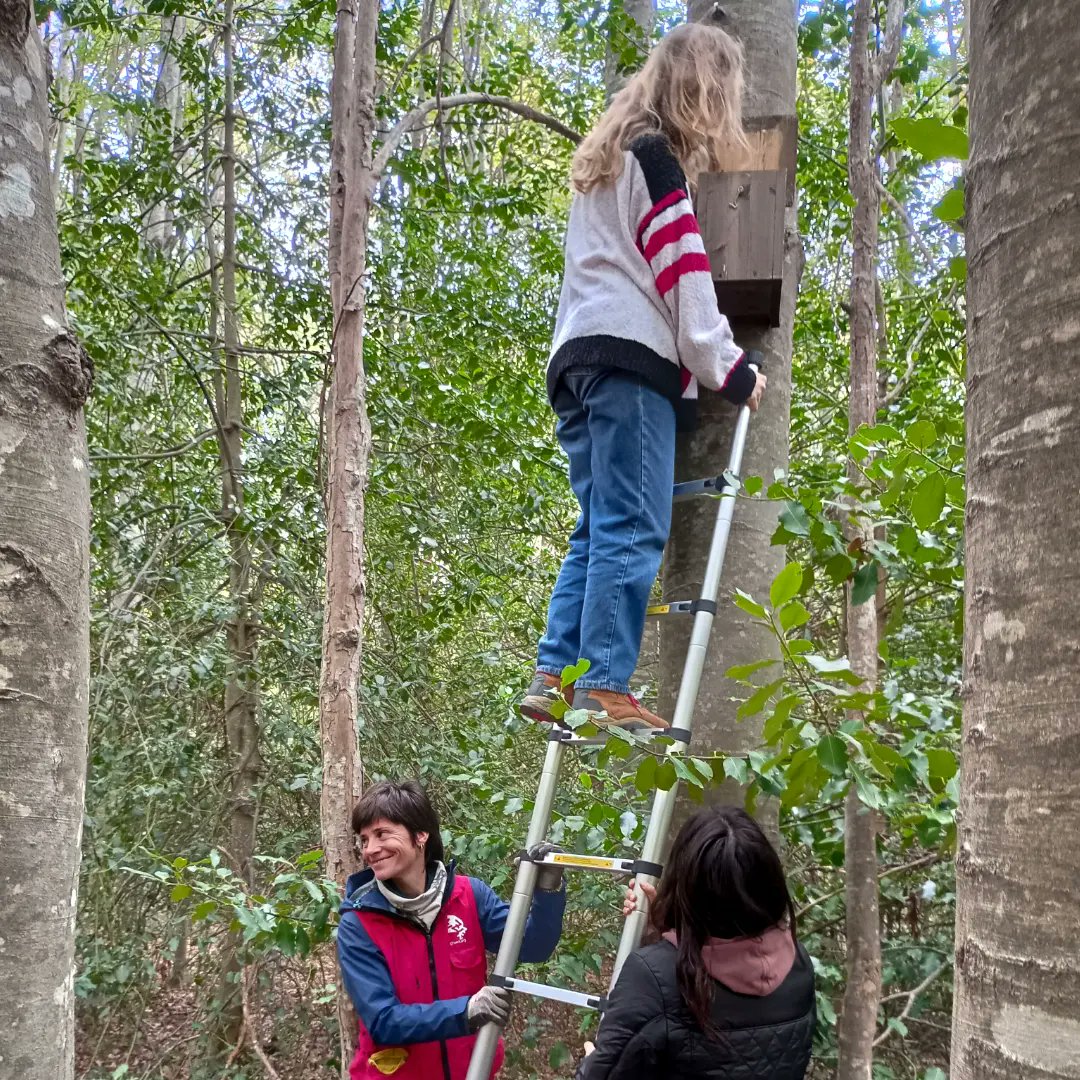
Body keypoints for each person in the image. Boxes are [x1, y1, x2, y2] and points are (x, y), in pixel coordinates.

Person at [519, 23, 768, 732]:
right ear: (704, 90)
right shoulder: (656, 158)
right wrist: (730, 369)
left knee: (598, 525)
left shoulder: (608, 162)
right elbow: (684, 273)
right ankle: (603, 683)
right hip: (629, 364)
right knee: (633, 522)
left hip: (578, 363)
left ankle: (553, 676)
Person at [337, 780, 566, 1079]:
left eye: (382, 834)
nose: (370, 849)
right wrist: (466, 1011)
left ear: (420, 835)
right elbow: (383, 1021)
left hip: (472, 1072)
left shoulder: (470, 896)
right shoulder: (359, 922)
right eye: (365, 839)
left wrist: (548, 889)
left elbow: (533, 946)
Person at [577, 806, 815, 1080]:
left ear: (682, 882)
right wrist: (663, 930)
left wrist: (590, 1061)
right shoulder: (798, 962)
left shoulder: (653, 976)